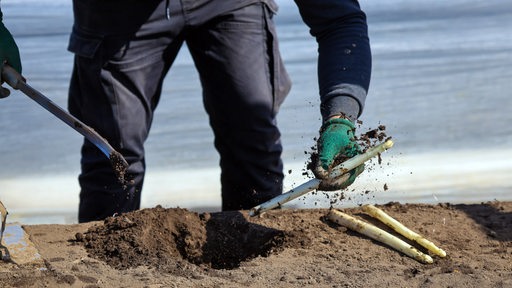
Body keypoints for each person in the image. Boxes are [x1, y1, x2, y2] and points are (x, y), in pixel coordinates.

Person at [1, 0, 371, 222]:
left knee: (252, 140)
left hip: (230, 6)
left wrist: (341, 116)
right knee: (114, 158)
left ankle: (253, 261)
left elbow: (340, 19)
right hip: (116, 13)